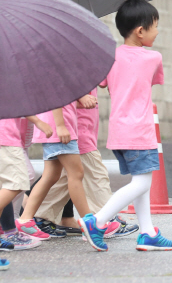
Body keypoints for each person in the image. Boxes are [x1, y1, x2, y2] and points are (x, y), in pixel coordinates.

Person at [79, 0, 172, 252]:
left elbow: (101, 83)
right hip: (140, 130)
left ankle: (147, 233)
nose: (157, 31)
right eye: (155, 26)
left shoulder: (109, 56)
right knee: (142, 183)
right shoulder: (153, 57)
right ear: (140, 30)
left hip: (119, 132)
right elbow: (151, 80)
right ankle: (97, 222)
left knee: (139, 180)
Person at [33, 89, 138, 238]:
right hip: (73, 129)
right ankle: (102, 220)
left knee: (62, 178)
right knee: (94, 174)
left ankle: (38, 218)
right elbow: (57, 90)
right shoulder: (70, 69)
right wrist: (80, 97)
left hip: (78, 126)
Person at [17, 103, 95, 240]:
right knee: (76, 174)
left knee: (51, 176)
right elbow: (54, 96)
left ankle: (25, 220)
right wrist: (60, 126)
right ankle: (90, 225)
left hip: (57, 126)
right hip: (59, 127)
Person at [0, 116, 50, 249]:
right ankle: (10, 232)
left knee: (8, 184)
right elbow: (20, 98)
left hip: (12, 134)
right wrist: (39, 121)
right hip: (6, 134)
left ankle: (10, 231)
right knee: (17, 181)